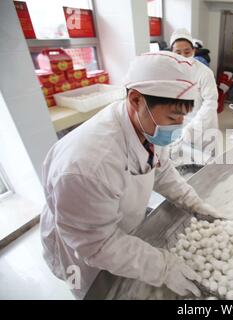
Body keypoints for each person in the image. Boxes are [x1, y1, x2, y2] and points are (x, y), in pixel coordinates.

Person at [40, 52, 222, 299]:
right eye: (172, 117)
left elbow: (160, 168)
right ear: (136, 99)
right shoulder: (87, 166)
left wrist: (193, 203)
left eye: (183, 116)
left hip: (113, 222)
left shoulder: (144, 124)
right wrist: (164, 267)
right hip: (84, 245)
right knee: (96, 292)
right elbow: (99, 245)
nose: (178, 126)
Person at [170, 29, 218, 158]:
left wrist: (192, 128)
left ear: (193, 51)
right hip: (179, 124)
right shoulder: (170, 71)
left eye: (187, 52)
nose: (183, 56)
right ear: (172, 53)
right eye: (178, 52)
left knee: (204, 162)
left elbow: (211, 103)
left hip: (203, 125)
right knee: (181, 161)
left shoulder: (204, 73)